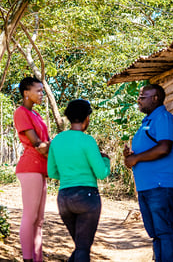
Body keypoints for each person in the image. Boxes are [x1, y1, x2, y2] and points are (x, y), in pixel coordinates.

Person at [47, 99, 111, 262]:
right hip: (86, 197)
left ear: (68, 117)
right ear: (87, 118)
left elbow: (52, 172)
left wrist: (70, 174)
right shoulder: (87, 141)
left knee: (80, 246)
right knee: (83, 248)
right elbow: (102, 173)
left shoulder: (57, 140)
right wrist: (106, 160)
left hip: (64, 199)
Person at [123, 84, 173, 262]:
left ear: (155, 98)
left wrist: (137, 158)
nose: (138, 100)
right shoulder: (147, 122)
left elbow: (164, 148)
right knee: (155, 233)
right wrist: (130, 157)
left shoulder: (162, 117)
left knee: (164, 231)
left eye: (143, 97)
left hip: (161, 185)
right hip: (147, 186)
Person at [13, 76, 50, 262]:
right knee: (30, 216)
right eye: (39, 90)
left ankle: (38, 258)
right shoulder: (21, 112)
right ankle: (28, 258)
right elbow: (38, 143)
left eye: (42, 91)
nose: (42, 94)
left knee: (39, 220)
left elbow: (46, 143)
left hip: (40, 169)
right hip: (30, 168)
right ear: (26, 93)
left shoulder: (37, 115)